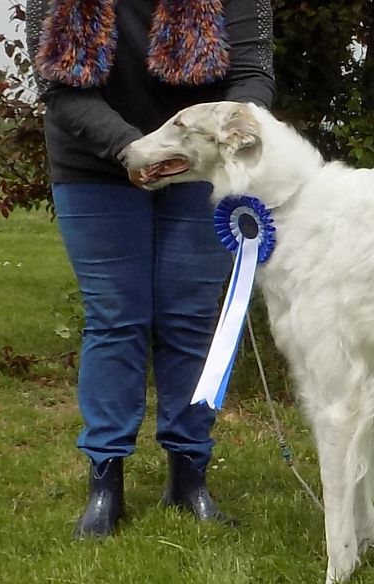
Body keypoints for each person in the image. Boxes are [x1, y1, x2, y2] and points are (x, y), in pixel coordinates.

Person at [25, 0, 276, 538]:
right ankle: (104, 483)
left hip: (199, 167)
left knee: (189, 319)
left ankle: (189, 479)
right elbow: (61, 89)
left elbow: (253, 75)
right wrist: (130, 150)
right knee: (116, 319)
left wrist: (229, 131)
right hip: (96, 163)